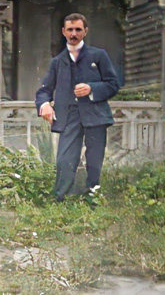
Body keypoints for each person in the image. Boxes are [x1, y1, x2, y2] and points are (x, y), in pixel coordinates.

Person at [35, 13, 120, 202]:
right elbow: (44, 90)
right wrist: (44, 105)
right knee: (64, 159)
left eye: (78, 29)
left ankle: (93, 198)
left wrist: (92, 88)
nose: (74, 34)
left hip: (95, 115)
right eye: (70, 30)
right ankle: (60, 199)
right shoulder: (57, 62)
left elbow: (113, 84)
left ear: (85, 31)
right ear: (63, 32)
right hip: (69, 116)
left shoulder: (98, 56)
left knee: (94, 159)